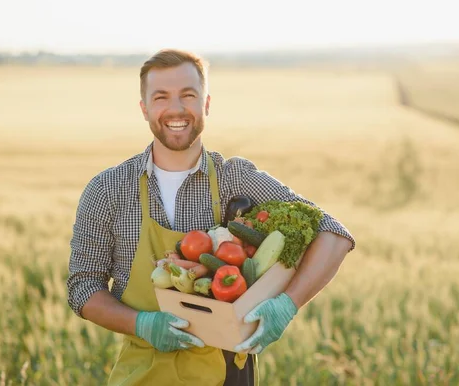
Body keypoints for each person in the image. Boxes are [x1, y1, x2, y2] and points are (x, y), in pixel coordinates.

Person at [66, 48, 356, 386]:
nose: (176, 109)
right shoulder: (108, 189)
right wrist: (142, 323)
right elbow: (83, 288)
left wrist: (287, 306)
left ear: (206, 103)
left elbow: (333, 234)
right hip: (143, 372)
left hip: (229, 373)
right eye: (161, 97)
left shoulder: (236, 178)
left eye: (188, 95)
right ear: (144, 108)